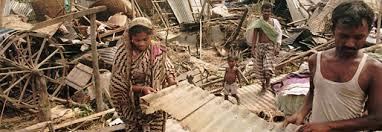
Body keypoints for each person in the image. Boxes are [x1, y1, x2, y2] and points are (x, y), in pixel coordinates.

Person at [284, 1, 382, 131]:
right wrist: (301, 113)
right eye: (343, 36)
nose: (350, 44)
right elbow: (313, 91)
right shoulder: (315, 60)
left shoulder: (373, 70)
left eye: (358, 37)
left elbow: (377, 120)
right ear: (333, 30)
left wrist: (328, 126)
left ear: (369, 33)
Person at [110, 17, 177, 132]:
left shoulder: (156, 49)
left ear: (151, 36)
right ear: (130, 38)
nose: (141, 43)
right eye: (137, 40)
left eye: (145, 39)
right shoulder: (123, 54)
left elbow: (165, 65)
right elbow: (118, 85)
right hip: (132, 104)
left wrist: (170, 79)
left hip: (155, 101)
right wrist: (141, 89)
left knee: (156, 128)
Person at [245, 2, 282, 93]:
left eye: (268, 11)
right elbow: (255, 36)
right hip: (260, 47)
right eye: (265, 11)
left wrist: (278, 46)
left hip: (269, 47)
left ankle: (268, 84)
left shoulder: (274, 22)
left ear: (271, 12)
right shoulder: (259, 23)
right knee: (260, 69)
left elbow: (278, 34)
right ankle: (263, 85)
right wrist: (253, 48)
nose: (267, 13)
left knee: (267, 68)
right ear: (262, 11)